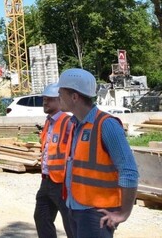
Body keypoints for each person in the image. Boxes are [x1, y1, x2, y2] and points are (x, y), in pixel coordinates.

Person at [57, 68, 139, 237]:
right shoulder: (76, 124)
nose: (58, 97)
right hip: (75, 208)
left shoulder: (106, 125)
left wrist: (123, 213)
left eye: (61, 93)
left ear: (74, 97)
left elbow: (129, 171)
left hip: (96, 214)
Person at [34, 82, 74, 238]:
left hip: (62, 183)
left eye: (49, 99)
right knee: (41, 217)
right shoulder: (48, 121)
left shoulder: (68, 122)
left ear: (60, 100)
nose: (45, 102)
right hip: (46, 180)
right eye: (44, 98)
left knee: (70, 223)